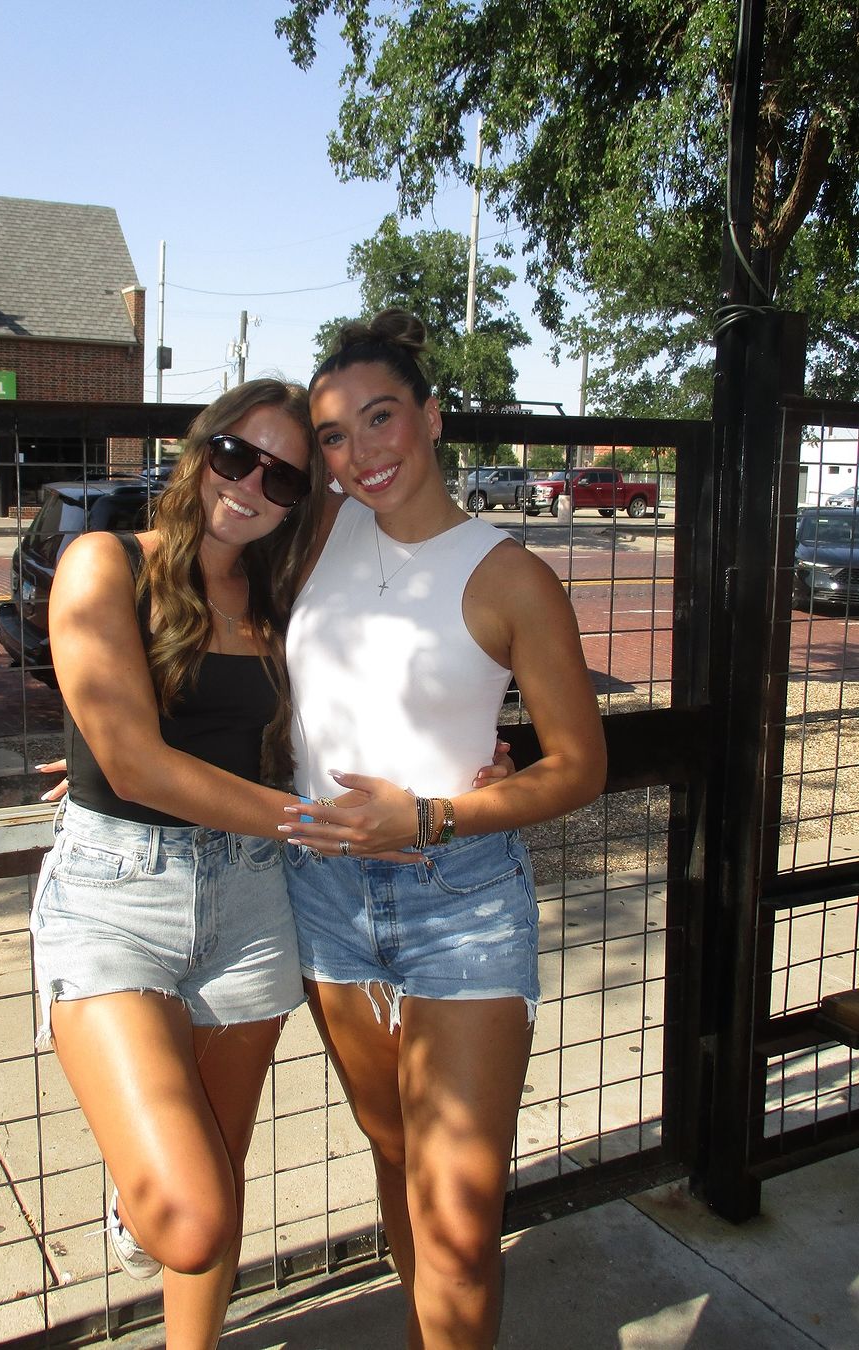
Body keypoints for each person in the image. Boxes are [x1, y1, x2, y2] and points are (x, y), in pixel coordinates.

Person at [30, 376, 514, 1349]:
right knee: (187, 1212)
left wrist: (471, 766)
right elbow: (135, 764)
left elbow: (348, 716)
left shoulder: (282, 602)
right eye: (236, 455)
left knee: (224, 1158)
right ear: (199, 448)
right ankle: (135, 1200)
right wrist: (318, 823)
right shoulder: (104, 562)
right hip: (118, 895)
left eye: (284, 477)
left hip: (253, 900)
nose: (251, 485)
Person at [276, 310, 607, 1349]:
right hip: (325, 896)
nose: (361, 452)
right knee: (393, 1154)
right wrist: (110, 739)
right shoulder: (320, 530)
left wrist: (434, 813)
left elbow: (580, 766)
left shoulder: (510, 575)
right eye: (335, 435)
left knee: (459, 1222)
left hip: (458, 898)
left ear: (431, 417)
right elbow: (203, 586)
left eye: (382, 418)